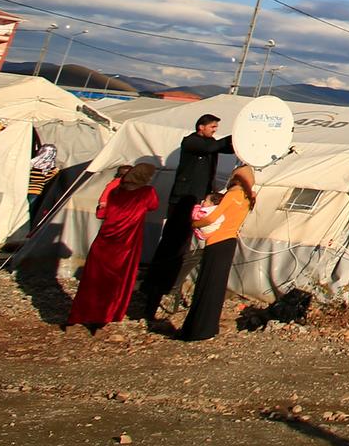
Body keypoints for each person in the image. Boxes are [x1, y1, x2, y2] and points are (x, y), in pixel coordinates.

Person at [142, 114, 233, 313]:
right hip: (183, 200)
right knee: (172, 242)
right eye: (212, 126)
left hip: (195, 200)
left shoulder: (209, 143)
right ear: (200, 127)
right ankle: (154, 289)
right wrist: (232, 138)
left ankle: (165, 284)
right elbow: (212, 148)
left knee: (181, 243)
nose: (214, 130)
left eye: (216, 127)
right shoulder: (192, 141)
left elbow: (225, 148)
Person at [66, 162, 159, 330]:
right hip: (125, 245)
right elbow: (153, 206)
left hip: (103, 242)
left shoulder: (116, 192)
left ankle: (79, 314)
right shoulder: (147, 192)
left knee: (93, 281)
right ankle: (102, 317)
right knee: (114, 283)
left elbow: (102, 213)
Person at [178, 166, 255, 342]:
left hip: (217, 241)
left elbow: (213, 217)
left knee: (206, 283)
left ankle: (197, 329)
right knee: (217, 285)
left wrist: (195, 224)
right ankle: (209, 328)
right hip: (230, 241)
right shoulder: (248, 198)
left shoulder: (233, 195)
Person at [26, 140, 60, 227]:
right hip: (39, 192)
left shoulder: (32, 164)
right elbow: (48, 180)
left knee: (27, 212)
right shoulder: (51, 167)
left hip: (28, 191)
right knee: (34, 213)